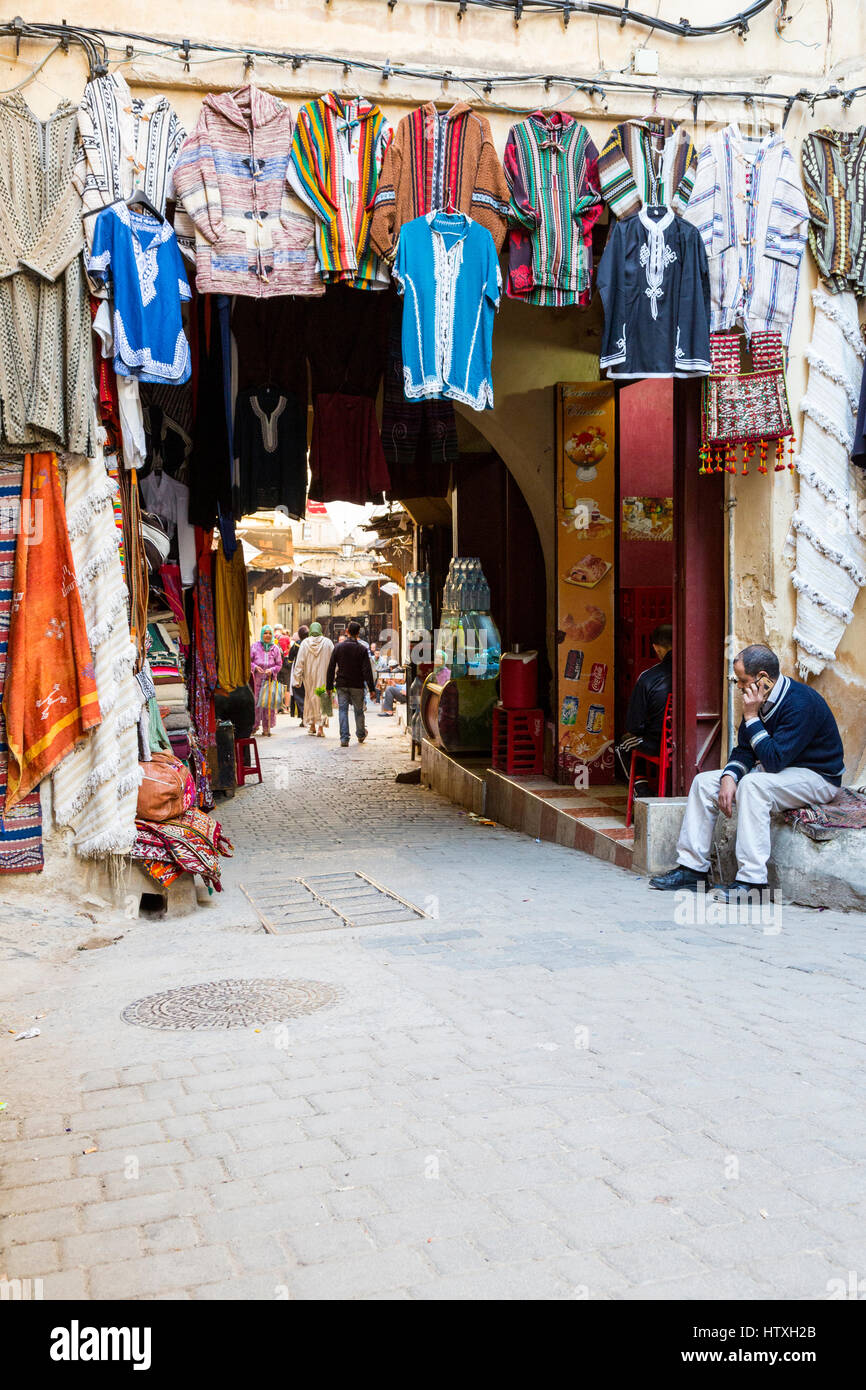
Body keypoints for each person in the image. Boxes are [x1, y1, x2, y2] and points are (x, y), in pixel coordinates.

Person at [649, 644, 844, 901]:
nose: (739, 686)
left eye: (742, 680)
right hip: (782, 771)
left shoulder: (800, 703)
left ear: (763, 679)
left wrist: (751, 717)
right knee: (705, 782)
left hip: (818, 777)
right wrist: (729, 777)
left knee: (753, 785)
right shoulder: (759, 700)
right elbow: (744, 750)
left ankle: (752, 882)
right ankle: (692, 871)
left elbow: (773, 760)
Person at [615, 623, 673, 796]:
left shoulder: (648, 677)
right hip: (685, 742)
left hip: (657, 743)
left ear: (656, 648)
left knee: (622, 745)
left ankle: (641, 791)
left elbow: (634, 725)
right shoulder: (688, 671)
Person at [326, 619, 377, 747]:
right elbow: (367, 671)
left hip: (342, 684)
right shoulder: (362, 649)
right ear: (358, 633)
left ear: (347, 631)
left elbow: (331, 667)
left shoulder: (338, 647)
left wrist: (329, 686)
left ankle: (344, 739)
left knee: (342, 710)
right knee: (358, 711)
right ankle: (360, 734)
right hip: (357, 685)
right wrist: (371, 689)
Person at [293, 621, 334, 738]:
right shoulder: (328, 643)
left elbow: (299, 663)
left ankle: (312, 726)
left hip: (309, 678)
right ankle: (321, 728)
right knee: (324, 699)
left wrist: (297, 680)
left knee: (311, 699)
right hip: (324, 678)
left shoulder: (305, 643)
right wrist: (334, 677)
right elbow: (334, 662)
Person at [250, 625, 283, 737]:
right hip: (256, 681)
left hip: (270, 680)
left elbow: (279, 664)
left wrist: (272, 670)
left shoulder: (275, 648)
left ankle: (266, 727)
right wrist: (254, 667)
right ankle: (254, 726)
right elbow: (248, 661)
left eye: (269, 633)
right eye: (265, 633)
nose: (267, 635)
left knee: (268, 705)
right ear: (262, 634)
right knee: (255, 704)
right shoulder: (254, 647)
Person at [288, 626, 307, 723]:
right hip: (309, 671)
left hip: (298, 670)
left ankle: (303, 717)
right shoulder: (310, 643)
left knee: (299, 694)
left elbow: (290, 659)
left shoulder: (296, 645)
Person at [275, 625, 293, 712]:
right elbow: (290, 648)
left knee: (277, 685)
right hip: (286, 662)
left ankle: (277, 707)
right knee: (287, 685)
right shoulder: (286, 638)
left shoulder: (273, 637)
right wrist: (286, 652)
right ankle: (286, 707)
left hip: (276, 663)